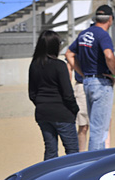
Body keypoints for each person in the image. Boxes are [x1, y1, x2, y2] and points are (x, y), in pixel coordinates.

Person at [65, 4, 115, 152]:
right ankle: (95, 163)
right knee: (100, 129)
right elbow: (109, 55)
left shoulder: (84, 33)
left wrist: (83, 73)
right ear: (110, 19)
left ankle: (96, 159)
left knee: (96, 125)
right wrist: (114, 73)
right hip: (101, 83)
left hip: (88, 82)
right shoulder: (103, 35)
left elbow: (69, 54)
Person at [28, 30, 79, 160]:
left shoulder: (34, 65)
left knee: (50, 151)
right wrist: (74, 109)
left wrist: (42, 104)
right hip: (62, 113)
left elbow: (32, 94)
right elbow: (68, 94)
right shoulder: (59, 66)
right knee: (72, 151)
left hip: (43, 113)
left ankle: (49, 178)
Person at [72, 71, 89, 151]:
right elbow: (69, 67)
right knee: (83, 126)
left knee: (101, 125)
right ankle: (81, 154)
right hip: (82, 85)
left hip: (99, 82)